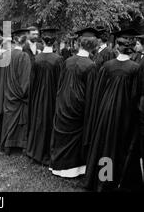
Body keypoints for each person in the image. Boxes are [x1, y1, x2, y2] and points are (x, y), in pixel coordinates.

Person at [85, 28, 144, 192]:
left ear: (117, 47)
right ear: (131, 47)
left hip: (105, 111)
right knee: (119, 147)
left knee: (106, 145)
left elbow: (99, 91)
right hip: (124, 115)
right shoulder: (135, 68)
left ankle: (104, 180)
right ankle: (114, 180)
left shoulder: (107, 66)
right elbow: (135, 96)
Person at [50, 27, 99, 178]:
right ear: (94, 45)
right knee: (75, 137)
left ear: (78, 43)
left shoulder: (68, 61)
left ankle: (58, 167)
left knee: (63, 134)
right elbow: (91, 93)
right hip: (79, 107)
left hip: (64, 103)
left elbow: (60, 84)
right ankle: (74, 168)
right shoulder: (91, 66)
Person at [27, 28, 64, 165]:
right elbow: (60, 82)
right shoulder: (58, 60)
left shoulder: (36, 59)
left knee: (38, 121)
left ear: (42, 41)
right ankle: (47, 152)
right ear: (54, 43)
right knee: (49, 123)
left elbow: (32, 81)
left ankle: (34, 151)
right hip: (52, 98)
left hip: (37, 97)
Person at [0, 31, 31, 155]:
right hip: (19, 95)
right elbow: (25, 79)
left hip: (8, 92)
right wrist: (25, 93)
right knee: (19, 121)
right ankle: (18, 145)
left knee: (9, 118)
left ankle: (7, 146)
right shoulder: (24, 57)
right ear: (24, 41)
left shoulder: (7, 55)